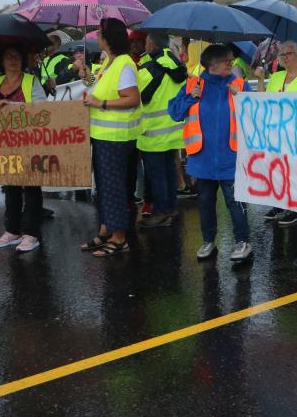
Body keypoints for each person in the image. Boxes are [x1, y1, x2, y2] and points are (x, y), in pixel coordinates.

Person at [169, 44, 252, 262]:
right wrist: (190, 98)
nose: (232, 65)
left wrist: (242, 97)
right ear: (213, 65)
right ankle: (208, 241)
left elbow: (256, 115)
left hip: (231, 158)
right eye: (228, 62)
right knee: (205, 203)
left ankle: (242, 241)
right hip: (202, 160)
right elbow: (175, 113)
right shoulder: (192, 85)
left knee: (236, 202)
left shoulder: (239, 84)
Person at [79, 18, 142, 257]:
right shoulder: (110, 62)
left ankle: (119, 238)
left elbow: (131, 98)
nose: (96, 35)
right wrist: (87, 76)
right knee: (104, 186)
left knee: (113, 187)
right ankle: (106, 229)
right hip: (103, 135)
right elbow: (98, 87)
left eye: (100, 32)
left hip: (117, 137)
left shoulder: (124, 63)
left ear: (109, 38)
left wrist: (100, 103)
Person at [0, 46, 47, 253]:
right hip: (4, 146)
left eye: (17, 56)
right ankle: (12, 231)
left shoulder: (31, 82)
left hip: (29, 144)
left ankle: (31, 234)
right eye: (9, 56)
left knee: (31, 190)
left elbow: (42, 111)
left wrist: (12, 107)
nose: (13, 60)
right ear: (1, 61)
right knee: (11, 189)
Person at [255, 40, 297, 227]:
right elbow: (263, 102)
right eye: (281, 55)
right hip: (277, 133)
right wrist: (261, 80)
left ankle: (295, 208)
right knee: (278, 170)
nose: (284, 57)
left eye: (288, 54)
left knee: (295, 171)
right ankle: (279, 203)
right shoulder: (277, 77)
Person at [135, 33, 188, 228]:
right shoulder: (177, 65)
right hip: (173, 131)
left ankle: (162, 212)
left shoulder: (149, 68)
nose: (145, 46)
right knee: (169, 171)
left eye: (147, 42)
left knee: (157, 175)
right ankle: (170, 208)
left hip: (153, 133)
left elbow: (139, 97)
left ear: (152, 45)